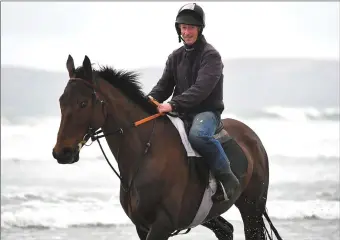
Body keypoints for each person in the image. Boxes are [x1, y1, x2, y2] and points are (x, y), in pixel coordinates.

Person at [147, 3, 240, 201]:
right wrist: (149, 101)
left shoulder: (211, 56)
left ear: (199, 29)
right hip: (181, 111)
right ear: (178, 29)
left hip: (206, 112)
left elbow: (201, 90)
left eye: (191, 27)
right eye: (183, 27)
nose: (186, 32)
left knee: (198, 136)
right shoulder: (175, 57)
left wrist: (172, 104)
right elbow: (163, 86)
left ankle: (227, 177)